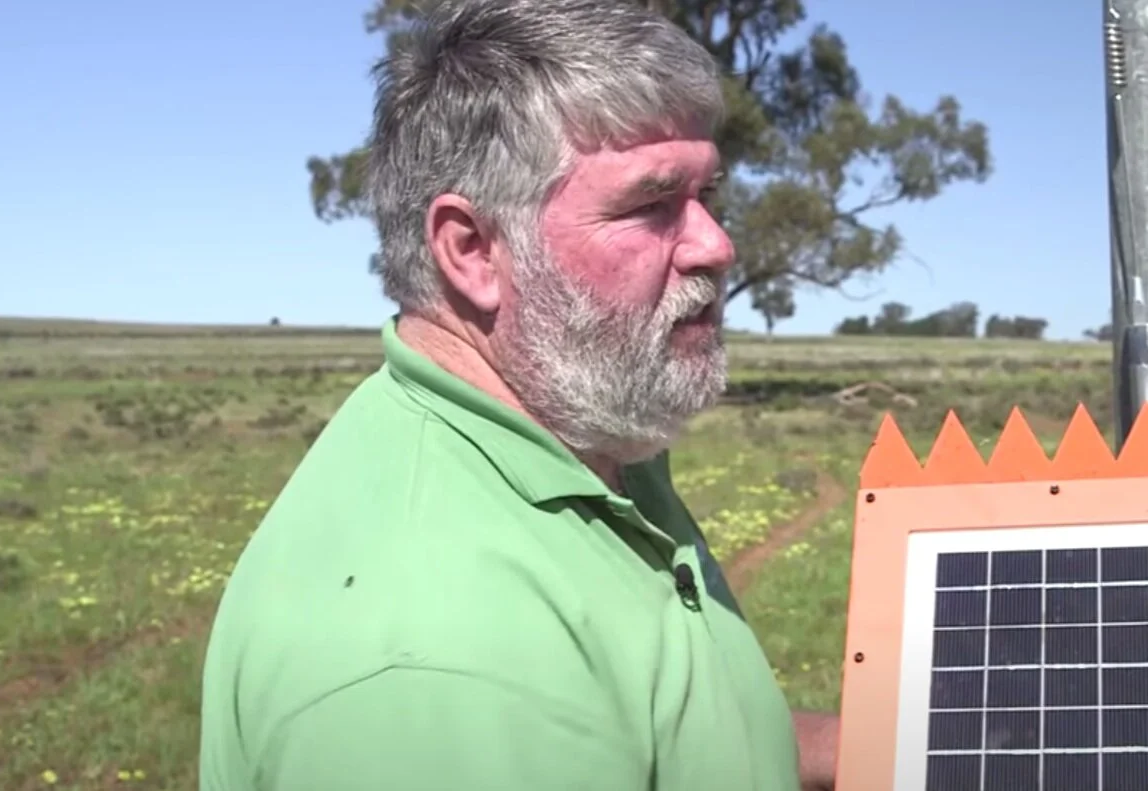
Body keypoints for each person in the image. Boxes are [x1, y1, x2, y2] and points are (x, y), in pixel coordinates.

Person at [195, 1, 839, 788]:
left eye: (708, 195)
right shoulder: (440, 663)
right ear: (471, 251)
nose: (715, 243)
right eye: (650, 204)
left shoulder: (579, 441)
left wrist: (847, 748)